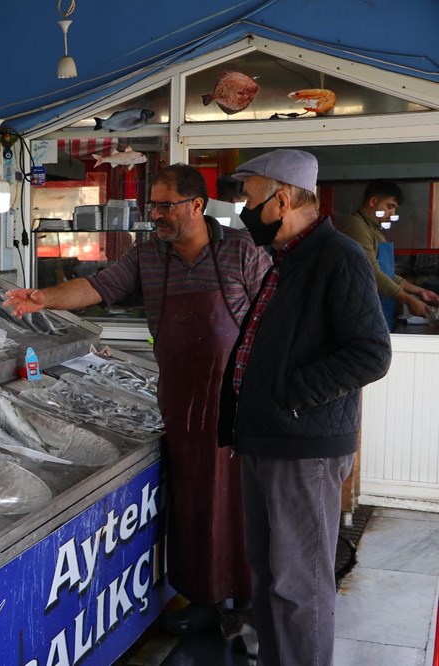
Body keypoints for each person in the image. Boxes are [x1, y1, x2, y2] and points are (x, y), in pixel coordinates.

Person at [4, 164, 272, 634]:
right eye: (154, 206)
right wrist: (43, 297)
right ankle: (204, 599)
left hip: (237, 402)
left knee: (240, 503)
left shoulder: (242, 252)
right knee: (192, 501)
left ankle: (250, 601)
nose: (157, 216)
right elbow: (95, 287)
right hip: (180, 400)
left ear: (197, 206)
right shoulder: (148, 256)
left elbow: (271, 321)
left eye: (167, 206)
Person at [219, 150, 392, 666]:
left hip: (303, 448)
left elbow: (370, 353)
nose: (243, 209)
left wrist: (291, 396)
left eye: (249, 198)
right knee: (269, 574)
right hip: (269, 439)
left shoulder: (338, 256)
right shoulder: (287, 258)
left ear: (284, 198)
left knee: (299, 583)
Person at [335, 180, 439, 320]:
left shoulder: (375, 230)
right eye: (390, 207)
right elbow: (371, 272)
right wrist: (408, 300)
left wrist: (419, 291)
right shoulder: (356, 227)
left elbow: (387, 272)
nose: (392, 213)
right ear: (373, 201)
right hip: (357, 311)